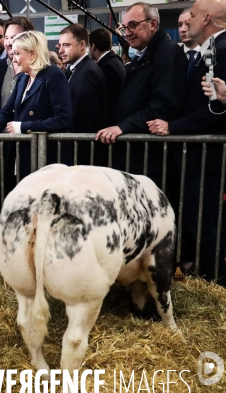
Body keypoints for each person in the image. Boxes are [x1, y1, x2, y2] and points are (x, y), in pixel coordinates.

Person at [147, 0, 226, 283]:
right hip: (198, 153)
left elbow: (215, 111)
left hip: (209, 153)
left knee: (206, 220)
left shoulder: (221, 49)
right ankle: (201, 274)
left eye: (190, 16)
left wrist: (173, 127)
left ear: (206, 19)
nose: (186, 22)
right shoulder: (206, 51)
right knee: (196, 216)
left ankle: (211, 280)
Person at [96, 2, 187, 184]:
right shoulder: (144, 55)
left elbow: (165, 104)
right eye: (125, 27)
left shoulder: (167, 54)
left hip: (150, 160)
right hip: (135, 155)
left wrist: (124, 127)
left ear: (152, 24)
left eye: (133, 25)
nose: (127, 32)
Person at [0, 30, 72, 180]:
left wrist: (23, 127)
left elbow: (63, 118)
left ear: (32, 54)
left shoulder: (53, 75)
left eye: (17, 53)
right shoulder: (22, 78)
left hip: (47, 158)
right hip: (23, 154)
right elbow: (7, 109)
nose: (15, 59)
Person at [59, 24, 109, 166]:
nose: (61, 50)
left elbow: (84, 118)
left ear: (82, 45)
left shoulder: (88, 73)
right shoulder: (79, 70)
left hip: (82, 152)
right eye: (60, 45)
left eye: (66, 45)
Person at [89, 29, 126, 119]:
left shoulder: (108, 67)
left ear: (93, 46)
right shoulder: (115, 61)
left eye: (88, 46)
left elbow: (107, 101)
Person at [0, 17, 34, 110]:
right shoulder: (0, 67)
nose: (9, 42)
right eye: (6, 38)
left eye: (14, 37)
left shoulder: (38, 70)